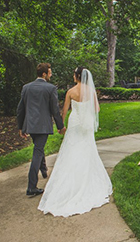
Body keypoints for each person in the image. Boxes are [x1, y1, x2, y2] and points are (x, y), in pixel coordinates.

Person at [38, 67, 113, 217]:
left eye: (73, 74)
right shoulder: (91, 91)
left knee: (71, 148)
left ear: (77, 76)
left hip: (75, 123)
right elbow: (97, 109)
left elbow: (64, 111)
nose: (72, 76)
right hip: (86, 124)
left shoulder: (70, 92)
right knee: (87, 148)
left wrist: (61, 126)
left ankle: (67, 184)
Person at [17, 63, 66, 196]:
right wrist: (60, 126)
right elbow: (55, 110)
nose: (51, 74)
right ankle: (31, 187)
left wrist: (21, 127)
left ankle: (43, 170)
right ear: (44, 74)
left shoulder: (26, 87)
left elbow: (20, 109)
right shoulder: (50, 89)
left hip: (31, 126)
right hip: (43, 126)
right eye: (49, 72)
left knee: (39, 147)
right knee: (37, 152)